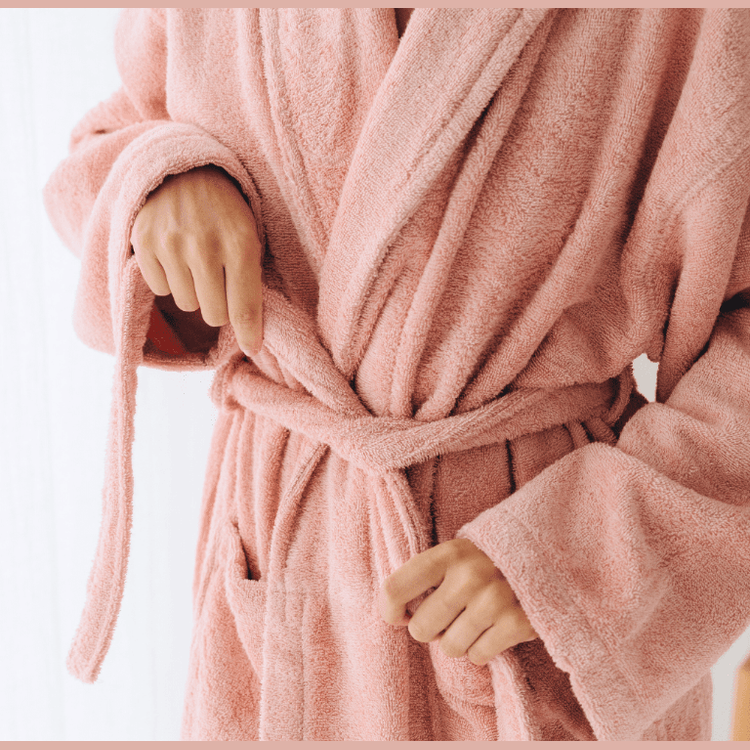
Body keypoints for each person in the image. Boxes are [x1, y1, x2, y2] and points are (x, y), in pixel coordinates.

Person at [43, 8, 750, 741]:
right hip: (281, 555)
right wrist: (165, 176)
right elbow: (108, 140)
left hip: (529, 597)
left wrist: (589, 557)